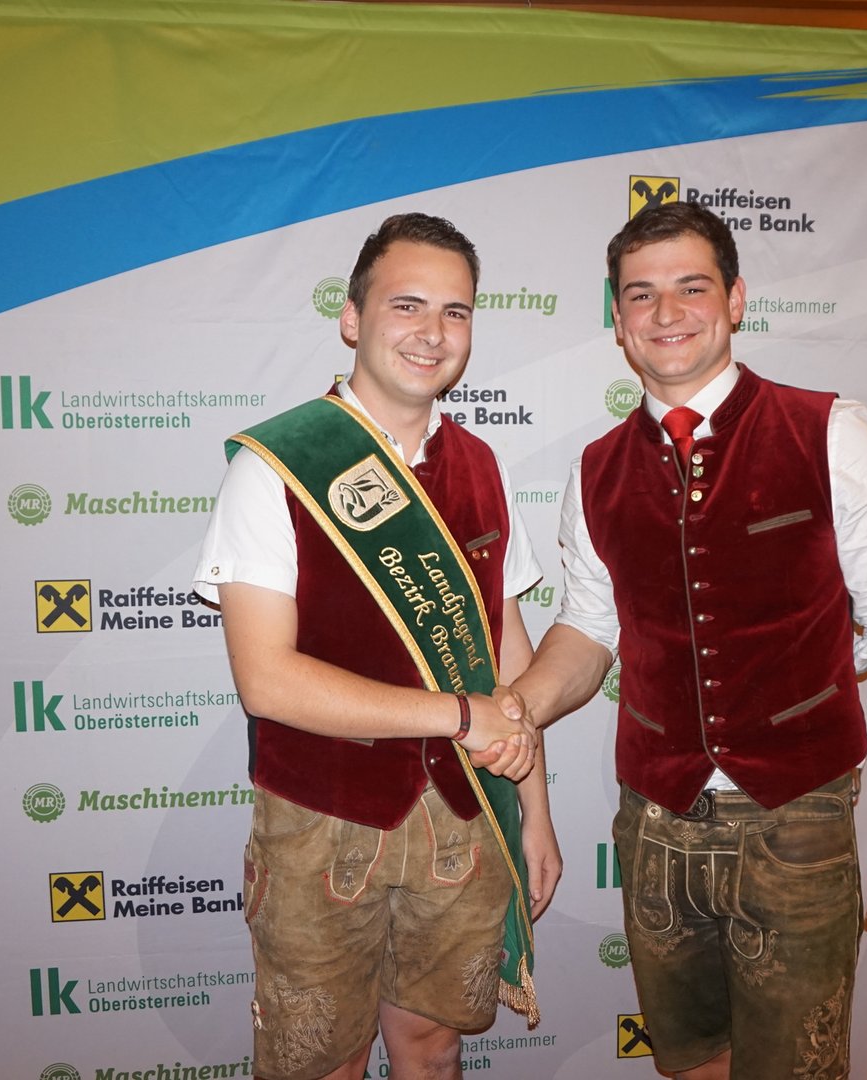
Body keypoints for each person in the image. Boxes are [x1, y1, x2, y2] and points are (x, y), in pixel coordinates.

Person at [508, 201, 867, 1079]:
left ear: (736, 299)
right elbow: (589, 629)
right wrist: (513, 708)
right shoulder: (594, 469)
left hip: (797, 825)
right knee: (689, 1064)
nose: (666, 312)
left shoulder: (827, 432)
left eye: (691, 287)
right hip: (654, 825)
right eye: (640, 295)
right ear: (618, 321)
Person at [193, 212, 562, 1080]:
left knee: (433, 1049)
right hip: (323, 825)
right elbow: (266, 681)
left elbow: (506, 653)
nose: (432, 332)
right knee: (321, 1064)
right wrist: (458, 715)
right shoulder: (277, 465)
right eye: (406, 305)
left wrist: (536, 809)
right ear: (352, 318)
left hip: (466, 814)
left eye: (455, 312)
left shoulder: (481, 465)